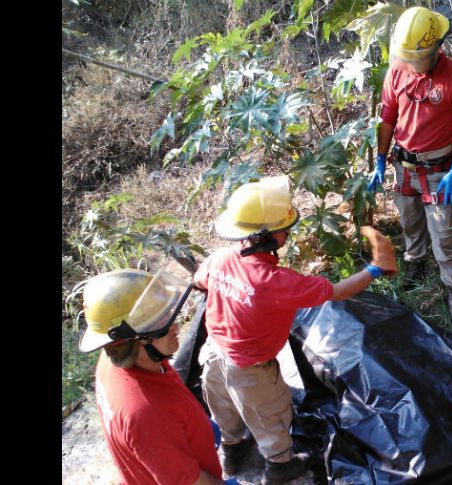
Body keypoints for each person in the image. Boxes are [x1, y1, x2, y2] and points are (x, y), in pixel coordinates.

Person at [192, 175, 397, 482]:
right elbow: (337, 291)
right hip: (251, 369)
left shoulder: (219, 259)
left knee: (224, 408)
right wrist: (375, 267)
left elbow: (199, 282)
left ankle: (231, 452)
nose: (287, 232)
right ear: (267, 237)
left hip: (213, 354)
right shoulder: (277, 282)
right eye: (284, 229)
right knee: (270, 415)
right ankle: (279, 465)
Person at [367, 6, 452, 338]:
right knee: (409, 220)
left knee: (443, 234)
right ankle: (415, 261)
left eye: (417, 59)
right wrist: (380, 159)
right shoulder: (397, 71)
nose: (411, 65)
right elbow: (388, 116)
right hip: (404, 165)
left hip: (438, 169)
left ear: (436, 48)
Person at [78, 268, 238, 485]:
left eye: (165, 314)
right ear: (134, 340)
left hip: (167, 445)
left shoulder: (117, 360)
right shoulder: (145, 413)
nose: (175, 327)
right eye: (160, 324)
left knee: (211, 430)